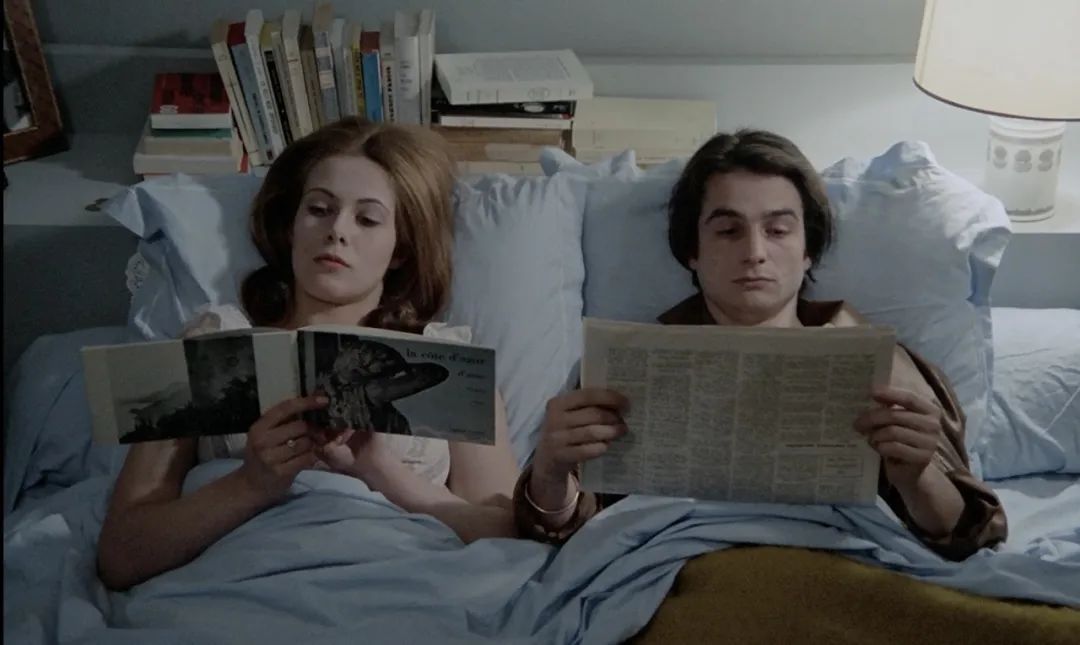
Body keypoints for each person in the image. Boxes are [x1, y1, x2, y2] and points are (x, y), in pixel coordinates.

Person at [514, 129, 1007, 561]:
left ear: (808, 249)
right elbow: (566, 532)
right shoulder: (624, 368)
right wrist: (551, 471)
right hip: (678, 574)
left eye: (777, 230)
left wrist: (917, 476)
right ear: (692, 251)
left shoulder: (883, 365)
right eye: (729, 231)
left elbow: (968, 536)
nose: (754, 252)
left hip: (843, 570)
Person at [97, 118, 520, 591]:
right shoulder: (210, 339)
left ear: (401, 249)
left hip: (397, 587)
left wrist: (382, 472)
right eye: (319, 209)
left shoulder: (450, 363)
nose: (337, 230)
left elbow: (510, 539)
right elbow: (121, 554)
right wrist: (249, 484)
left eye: (367, 219)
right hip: (233, 589)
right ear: (291, 226)